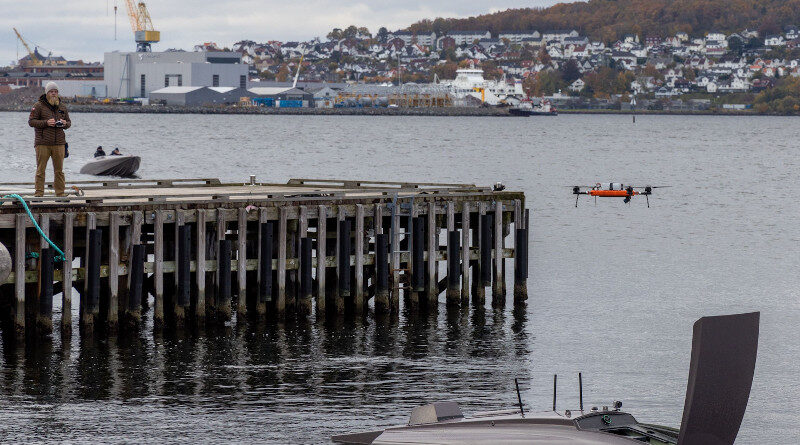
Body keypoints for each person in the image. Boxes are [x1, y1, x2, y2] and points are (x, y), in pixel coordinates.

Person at [28, 81, 71, 197]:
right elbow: (31, 122)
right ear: (47, 93)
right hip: (42, 143)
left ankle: (60, 194)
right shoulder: (38, 106)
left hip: (59, 144)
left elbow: (69, 123)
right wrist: (46, 123)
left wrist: (64, 123)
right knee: (41, 170)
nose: (54, 94)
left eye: (55, 92)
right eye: (51, 91)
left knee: (59, 171)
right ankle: (38, 194)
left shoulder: (62, 107)